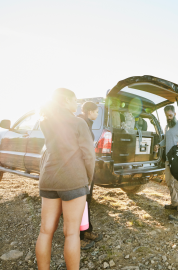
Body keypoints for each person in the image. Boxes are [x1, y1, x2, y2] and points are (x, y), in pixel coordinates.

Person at [36, 88, 96, 270]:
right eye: (74, 100)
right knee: (71, 233)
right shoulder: (78, 123)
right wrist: (87, 178)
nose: (76, 104)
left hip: (48, 178)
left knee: (45, 231)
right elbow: (89, 155)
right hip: (73, 180)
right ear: (65, 101)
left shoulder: (46, 122)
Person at [154, 105, 178, 221]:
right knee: (169, 182)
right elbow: (166, 140)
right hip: (168, 160)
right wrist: (159, 145)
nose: (169, 118)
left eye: (170, 115)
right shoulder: (167, 127)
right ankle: (174, 203)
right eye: (167, 116)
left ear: (175, 114)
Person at [77, 101, 103, 250]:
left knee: (86, 202)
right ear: (89, 111)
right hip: (80, 170)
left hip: (86, 169)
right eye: (96, 111)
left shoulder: (87, 123)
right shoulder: (81, 123)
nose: (97, 114)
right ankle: (78, 238)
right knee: (80, 203)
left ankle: (86, 230)